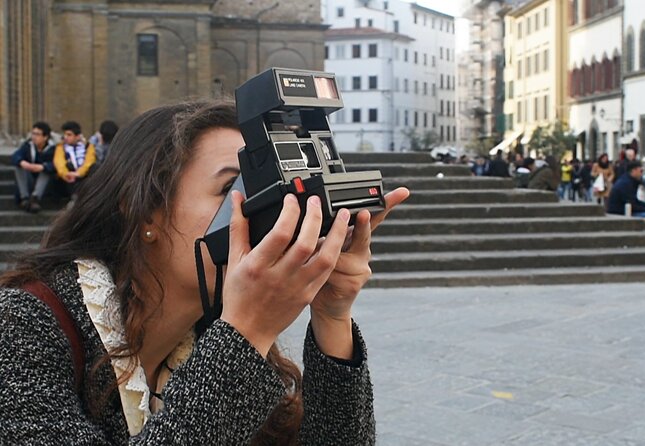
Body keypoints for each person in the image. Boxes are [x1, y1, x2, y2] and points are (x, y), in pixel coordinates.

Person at [0, 101, 410, 444]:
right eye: (237, 190)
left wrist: (331, 315)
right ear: (143, 210)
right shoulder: (19, 327)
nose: (270, 217)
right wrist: (247, 331)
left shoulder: (210, 334)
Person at [10, 121, 56, 213]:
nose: (34, 137)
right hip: (29, 180)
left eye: (37, 134)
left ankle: (35, 199)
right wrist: (23, 162)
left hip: (45, 185)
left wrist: (43, 167)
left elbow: (57, 164)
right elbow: (15, 156)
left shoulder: (54, 149)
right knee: (19, 166)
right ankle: (25, 198)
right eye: (33, 133)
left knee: (46, 169)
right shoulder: (27, 146)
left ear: (45, 137)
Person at [608, 160, 645, 229]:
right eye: (640, 171)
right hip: (620, 212)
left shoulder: (630, 181)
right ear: (633, 171)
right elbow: (632, 204)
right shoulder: (625, 183)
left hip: (627, 209)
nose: (642, 173)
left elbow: (634, 202)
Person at [53, 121, 97, 199]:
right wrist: (66, 174)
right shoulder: (60, 147)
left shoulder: (88, 146)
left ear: (77, 136)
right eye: (65, 134)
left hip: (83, 175)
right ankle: (75, 198)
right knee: (68, 166)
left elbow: (89, 161)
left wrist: (79, 173)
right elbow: (59, 163)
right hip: (68, 177)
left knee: (95, 167)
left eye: (69, 135)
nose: (65, 137)